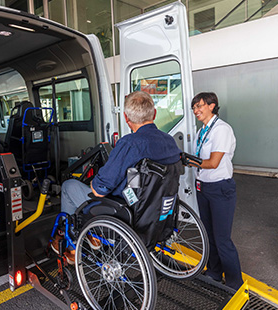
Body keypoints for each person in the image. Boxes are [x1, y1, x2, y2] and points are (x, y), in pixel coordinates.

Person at [51, 91, 182, 264]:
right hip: (157, 211)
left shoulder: (129, 143)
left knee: (69, 186)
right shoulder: (169, 141)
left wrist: (94, 183)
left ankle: (74, 245)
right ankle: (91, 235)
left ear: (127, 119)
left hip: (125, 212)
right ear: (154, 113)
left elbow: (100, 189)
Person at [191, 92, 243, 290]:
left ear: (212, 106)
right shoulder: (202, 131)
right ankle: (213, 273)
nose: (196, 110)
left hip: (220, 188)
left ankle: (234, 283)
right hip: (203, 187)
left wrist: (188, 161)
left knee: (222, 239)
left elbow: (213, 163)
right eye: (194, 107)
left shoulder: (222, 130)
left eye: (199, 106)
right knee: (209, 235)